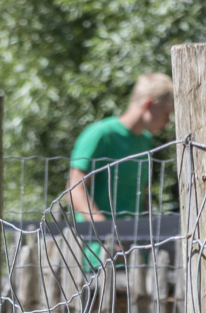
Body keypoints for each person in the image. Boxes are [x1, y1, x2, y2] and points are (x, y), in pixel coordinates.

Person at [67, 72, 174, 223]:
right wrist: (105, 230)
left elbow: (140, 194)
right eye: (166, 113)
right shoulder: (100, 135)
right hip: (96, 243)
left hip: (132, 242)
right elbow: (74, 189)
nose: (168, 121)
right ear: (149, 105)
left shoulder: (146, 141)